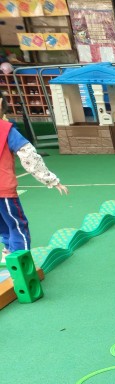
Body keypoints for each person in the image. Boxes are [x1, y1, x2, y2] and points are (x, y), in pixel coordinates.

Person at [0, 97, 68, 263]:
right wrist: (50, 179)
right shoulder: (6, 129)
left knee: (3, 224)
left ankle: (8, 253)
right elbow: (29, 155)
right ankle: (21, 263)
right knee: (17, 225)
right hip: (3, 189)